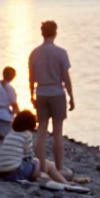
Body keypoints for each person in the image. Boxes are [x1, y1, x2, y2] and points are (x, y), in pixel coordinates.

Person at [28, 20, 74, 175]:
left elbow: (31, 77)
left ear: (42, 33)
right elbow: (65, 77)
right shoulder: (61, 53)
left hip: (41, 93)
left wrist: (31, 94)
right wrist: (71, 96)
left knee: (41, 131)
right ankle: (59, 167)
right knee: (57, 132)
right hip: (57, 94)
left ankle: (40, 168)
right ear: (55, 33)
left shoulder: (35, 53)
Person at [0, 110, 69, 184]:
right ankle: (65, 182)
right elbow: (29, 156)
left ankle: (56, 179)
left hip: (1, 173)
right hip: (15, 173)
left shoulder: (10, 133)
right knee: (42, 163)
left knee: (39, 164)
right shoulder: (26, 135)